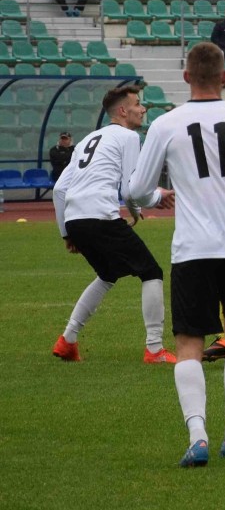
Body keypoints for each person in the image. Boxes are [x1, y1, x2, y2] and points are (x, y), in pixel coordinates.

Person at [128, 42, 225, 467]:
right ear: (224, 79)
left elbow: (137, 190)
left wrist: (160, 194)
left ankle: (197, 433)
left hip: (193, 249)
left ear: (185, 77)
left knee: (188, 342)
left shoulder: (166, 123)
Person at [51, 86, 176, 364]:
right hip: (99, 215)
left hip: (76, 218)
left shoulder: (86, 140)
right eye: (138, 104)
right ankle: (155, 349)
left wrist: (66, 232)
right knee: (151, 272)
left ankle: (67, 340)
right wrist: (157, 197)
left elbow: (60, 190)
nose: (143, 109)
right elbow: (132, 190)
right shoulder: (129, 136)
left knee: (107, 274)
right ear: (123, 111)